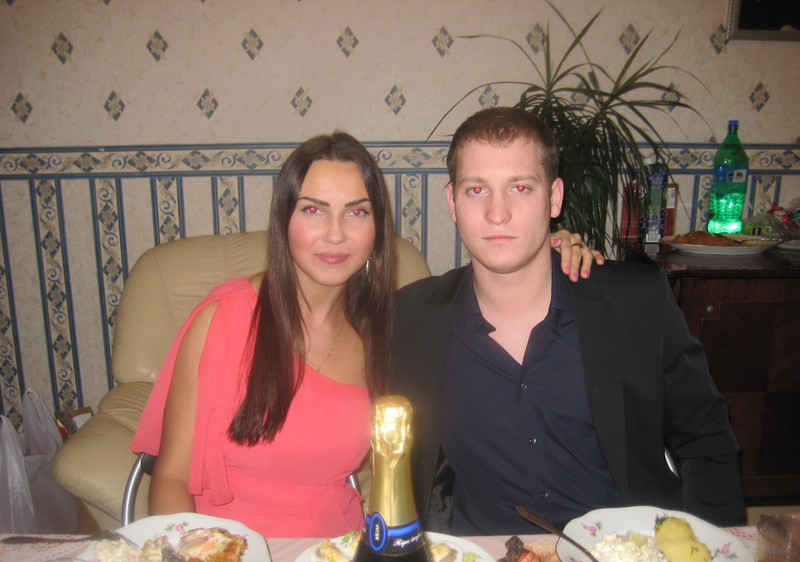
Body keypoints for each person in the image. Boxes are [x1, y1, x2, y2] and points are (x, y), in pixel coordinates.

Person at [131, 131, 597, 538]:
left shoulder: (388, 332)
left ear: (376, 228)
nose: (335, 235)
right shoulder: (225, 319)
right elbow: (170, 479)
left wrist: (550, 250)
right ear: (284, 220)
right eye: (313, 210)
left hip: (339, 561)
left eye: (356, 212)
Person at [390, 107, 746, 536]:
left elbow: (707, 440)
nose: (497, 213)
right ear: (452, 202)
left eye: (521, 188)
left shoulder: (635, 303)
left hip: (621, 555)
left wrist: (710, 556)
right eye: (476, 190)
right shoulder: (410, 319)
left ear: (554, 197)